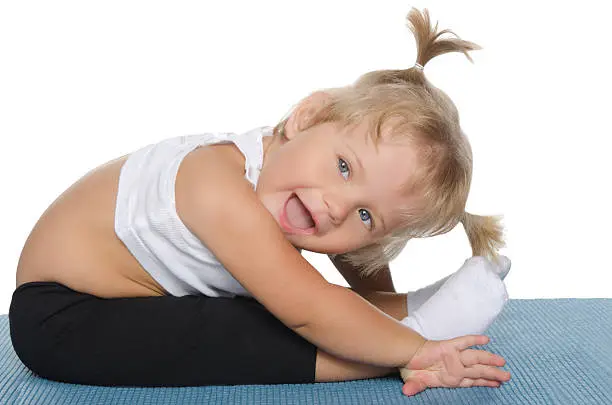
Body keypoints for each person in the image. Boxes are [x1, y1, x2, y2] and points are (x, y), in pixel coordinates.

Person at [8, 7, 511, 397]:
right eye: (343, 167)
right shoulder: (216, 186)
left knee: (286, 298)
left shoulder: (291, 168)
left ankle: (401, 314)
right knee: (240, 326)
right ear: (307, 116)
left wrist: (383, 304)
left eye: (366, 215)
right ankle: (397, 343)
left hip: (130, 302)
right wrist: (418, 349)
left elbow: (352, 254)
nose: (336, 205)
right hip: (63, 318)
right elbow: (311, 308)